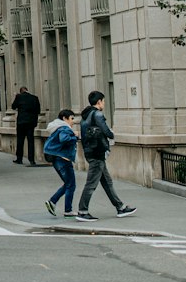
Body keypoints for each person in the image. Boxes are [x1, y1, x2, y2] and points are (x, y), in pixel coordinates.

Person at [77, 92, 136, 220]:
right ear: (99, 102)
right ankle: (82, 211)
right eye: (103, 101)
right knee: (91, 184)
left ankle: (120, 207)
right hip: (97, 153)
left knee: (107, 182)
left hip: (89, 151)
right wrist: (112, 134)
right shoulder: (97, 114)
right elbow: (106, 131)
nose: (104, 104)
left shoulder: (85, 116)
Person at [42, 109, 80, 217]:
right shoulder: (64, 128)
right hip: (63, 159)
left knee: (68, 184)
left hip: (57, 159)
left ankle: (53, 201)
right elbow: (64, 139)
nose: (73, 121)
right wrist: (75, 136)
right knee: (71, 185)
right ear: (64, 118)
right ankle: (67, 210)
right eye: (72, 118)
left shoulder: (57, 127)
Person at [11, 87, 41, 165]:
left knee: (20, 140)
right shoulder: (34, 98)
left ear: (20, 92)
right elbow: (38, 110)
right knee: (30, 140)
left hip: (21, 122)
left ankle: (19, 158)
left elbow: (13, 106)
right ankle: (31, 160)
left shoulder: (19, 97)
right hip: (31, 122)